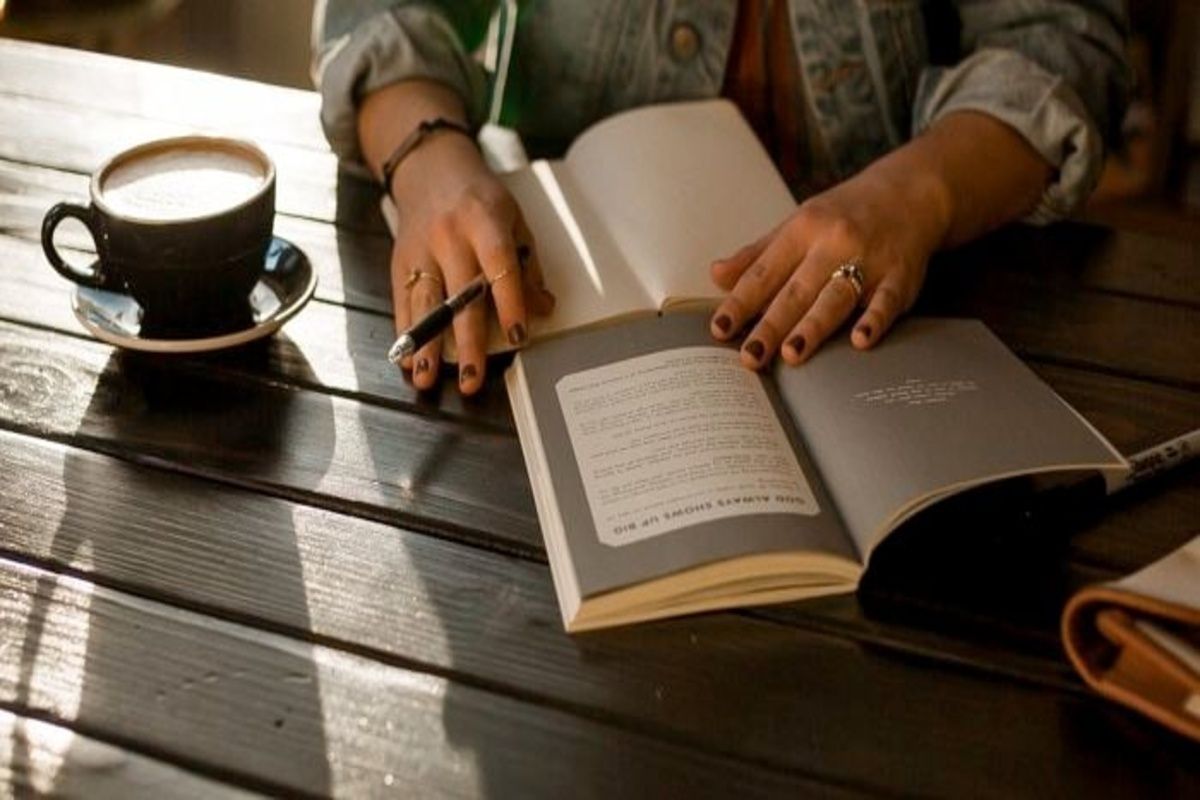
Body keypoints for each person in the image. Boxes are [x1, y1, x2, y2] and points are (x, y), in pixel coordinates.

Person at [312, 1, 1129, 395]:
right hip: (554, 292)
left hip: (910, 303)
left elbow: (1059, 40)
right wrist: (431, 168)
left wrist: (913, 195)